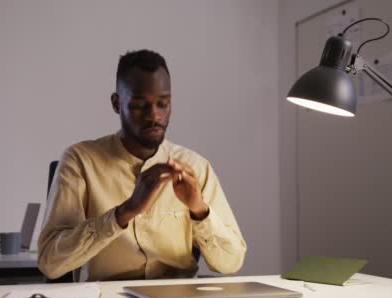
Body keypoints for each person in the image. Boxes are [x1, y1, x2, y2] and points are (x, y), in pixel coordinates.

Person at [37, 49, 246, 281]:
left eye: (163, 104)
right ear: (117, 104)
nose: (154, 115)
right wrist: (124, 213)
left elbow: (232, 263)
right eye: (139, 105)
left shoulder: (195, 167)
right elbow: (50, 263)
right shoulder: (80, 161)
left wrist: (199, 209)